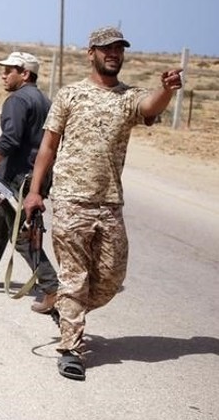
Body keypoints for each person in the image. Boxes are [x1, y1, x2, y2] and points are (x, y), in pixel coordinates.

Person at [23, 26, 182, 381]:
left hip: (109, 202)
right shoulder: (70, 95)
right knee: (75, 277)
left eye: (119, 49)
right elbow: (47, 147)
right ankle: (71, 349)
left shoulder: (128, 97)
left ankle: (65, 307)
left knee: (112, 277)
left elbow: (149, 105)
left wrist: (167, 90)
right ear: (91, 52)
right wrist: (36, 191)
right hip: (70, 199)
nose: (114, 53)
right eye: (106, 48)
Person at [0, 51, 59, 314]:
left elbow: (10, 139)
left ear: (25, 73)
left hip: (20, 177)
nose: (3, 74)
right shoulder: (44, 100)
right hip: (34, 176)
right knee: (0, 221)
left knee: (22, 236)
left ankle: (52, 288)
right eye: (3, 69)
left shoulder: (17, 100)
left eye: (10, 70)